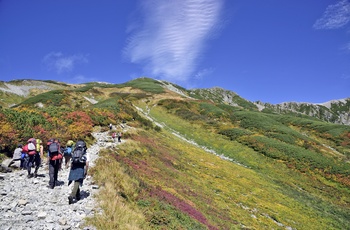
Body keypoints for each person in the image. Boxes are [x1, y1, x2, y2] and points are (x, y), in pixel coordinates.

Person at [68, 140, 89, 204]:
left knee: (75, 181)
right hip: (81, 167)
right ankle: (72, 195)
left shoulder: (74, 151)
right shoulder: (85, 153)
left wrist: (71, 168)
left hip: (74, 166)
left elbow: (71, 160)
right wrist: (86, 171)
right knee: (77, 181)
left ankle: (78, 195)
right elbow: (87, 163)